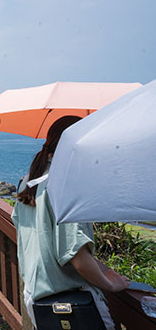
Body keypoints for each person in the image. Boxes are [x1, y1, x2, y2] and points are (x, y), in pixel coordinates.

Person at [12, 115, 130, 329]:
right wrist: (110, 284)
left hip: (37, 300)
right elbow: (77, 258)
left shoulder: (27, 183)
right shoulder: (64, 187)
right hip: (72, 305)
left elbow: (45, 241)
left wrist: (103, 269)